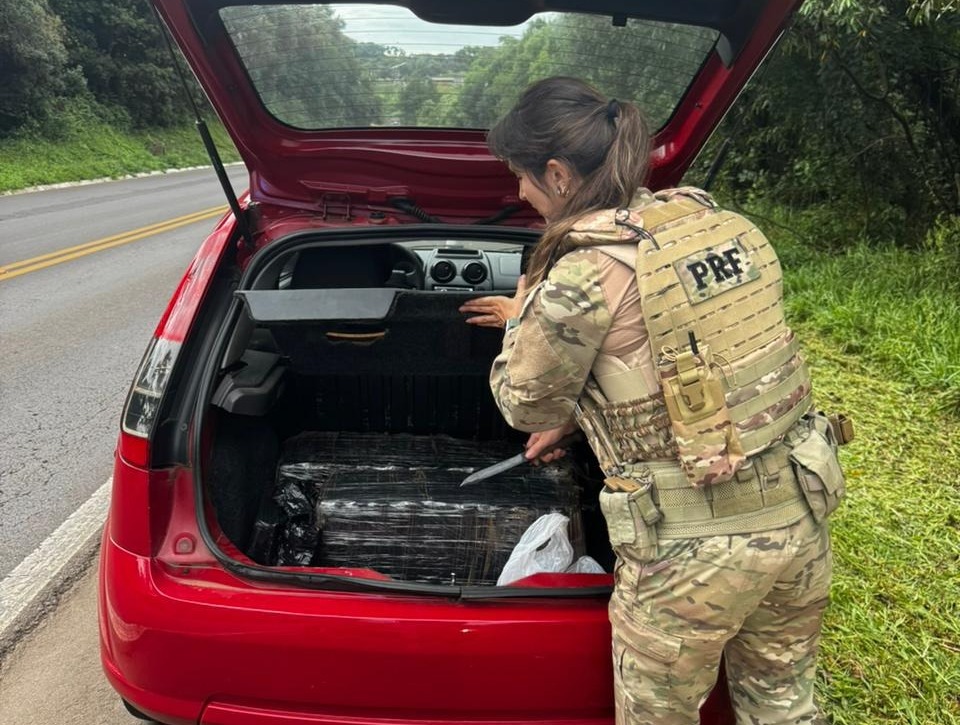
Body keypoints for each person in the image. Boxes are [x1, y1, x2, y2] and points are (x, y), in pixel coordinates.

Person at [460, 77, 846, 725]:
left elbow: (522, 403)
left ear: (556, 175)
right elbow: (697, 369)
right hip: (800, 518)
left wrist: (522, 307)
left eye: (520, 177)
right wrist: (583, 419)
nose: (518, 193)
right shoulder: (717, 224)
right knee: (783, 707)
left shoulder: (582, 272)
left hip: (695, 554)